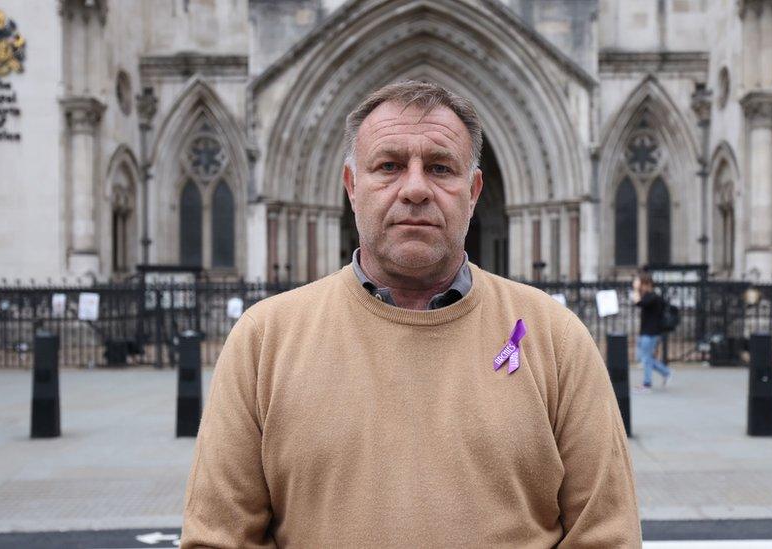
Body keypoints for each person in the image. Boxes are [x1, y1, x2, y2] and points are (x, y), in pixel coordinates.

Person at [180, 81, 641, 547]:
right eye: (389, 166)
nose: (416, 188)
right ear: (351, 186)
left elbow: (605, 536)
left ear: (474, 190)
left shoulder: (555, 337)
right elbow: (219, 538)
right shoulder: (264, 340)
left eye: (441, 168)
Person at [631, 272, 672, 393]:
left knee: (646, 359)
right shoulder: (650, 296)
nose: (639, 286)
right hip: (647, 332)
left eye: (640, 284)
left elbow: (639, 303)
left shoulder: (652, 297)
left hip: (651, 332)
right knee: (644, 358)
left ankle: (647, 384)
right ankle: (666, 372)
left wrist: (635, 289)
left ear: (646, 284)